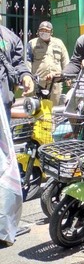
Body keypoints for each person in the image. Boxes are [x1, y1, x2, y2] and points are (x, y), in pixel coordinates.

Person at [0, 24, 33, 247]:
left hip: (3, 105)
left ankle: (5, 221)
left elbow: (18, 62)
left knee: (4, 165)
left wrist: (26, 76)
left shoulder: (9, 36)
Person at [28, 21, 69, 105]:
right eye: (42, 30)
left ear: (51, 32)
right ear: (38, 31)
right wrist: (28, 78)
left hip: (55, 83)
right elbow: (28, 62)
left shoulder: (59, 43)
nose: (44, 32)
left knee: (53, 109)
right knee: (37, 109)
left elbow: (65, 61)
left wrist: (68, 77)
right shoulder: (32, 43)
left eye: (47, 31)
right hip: (38, 83)